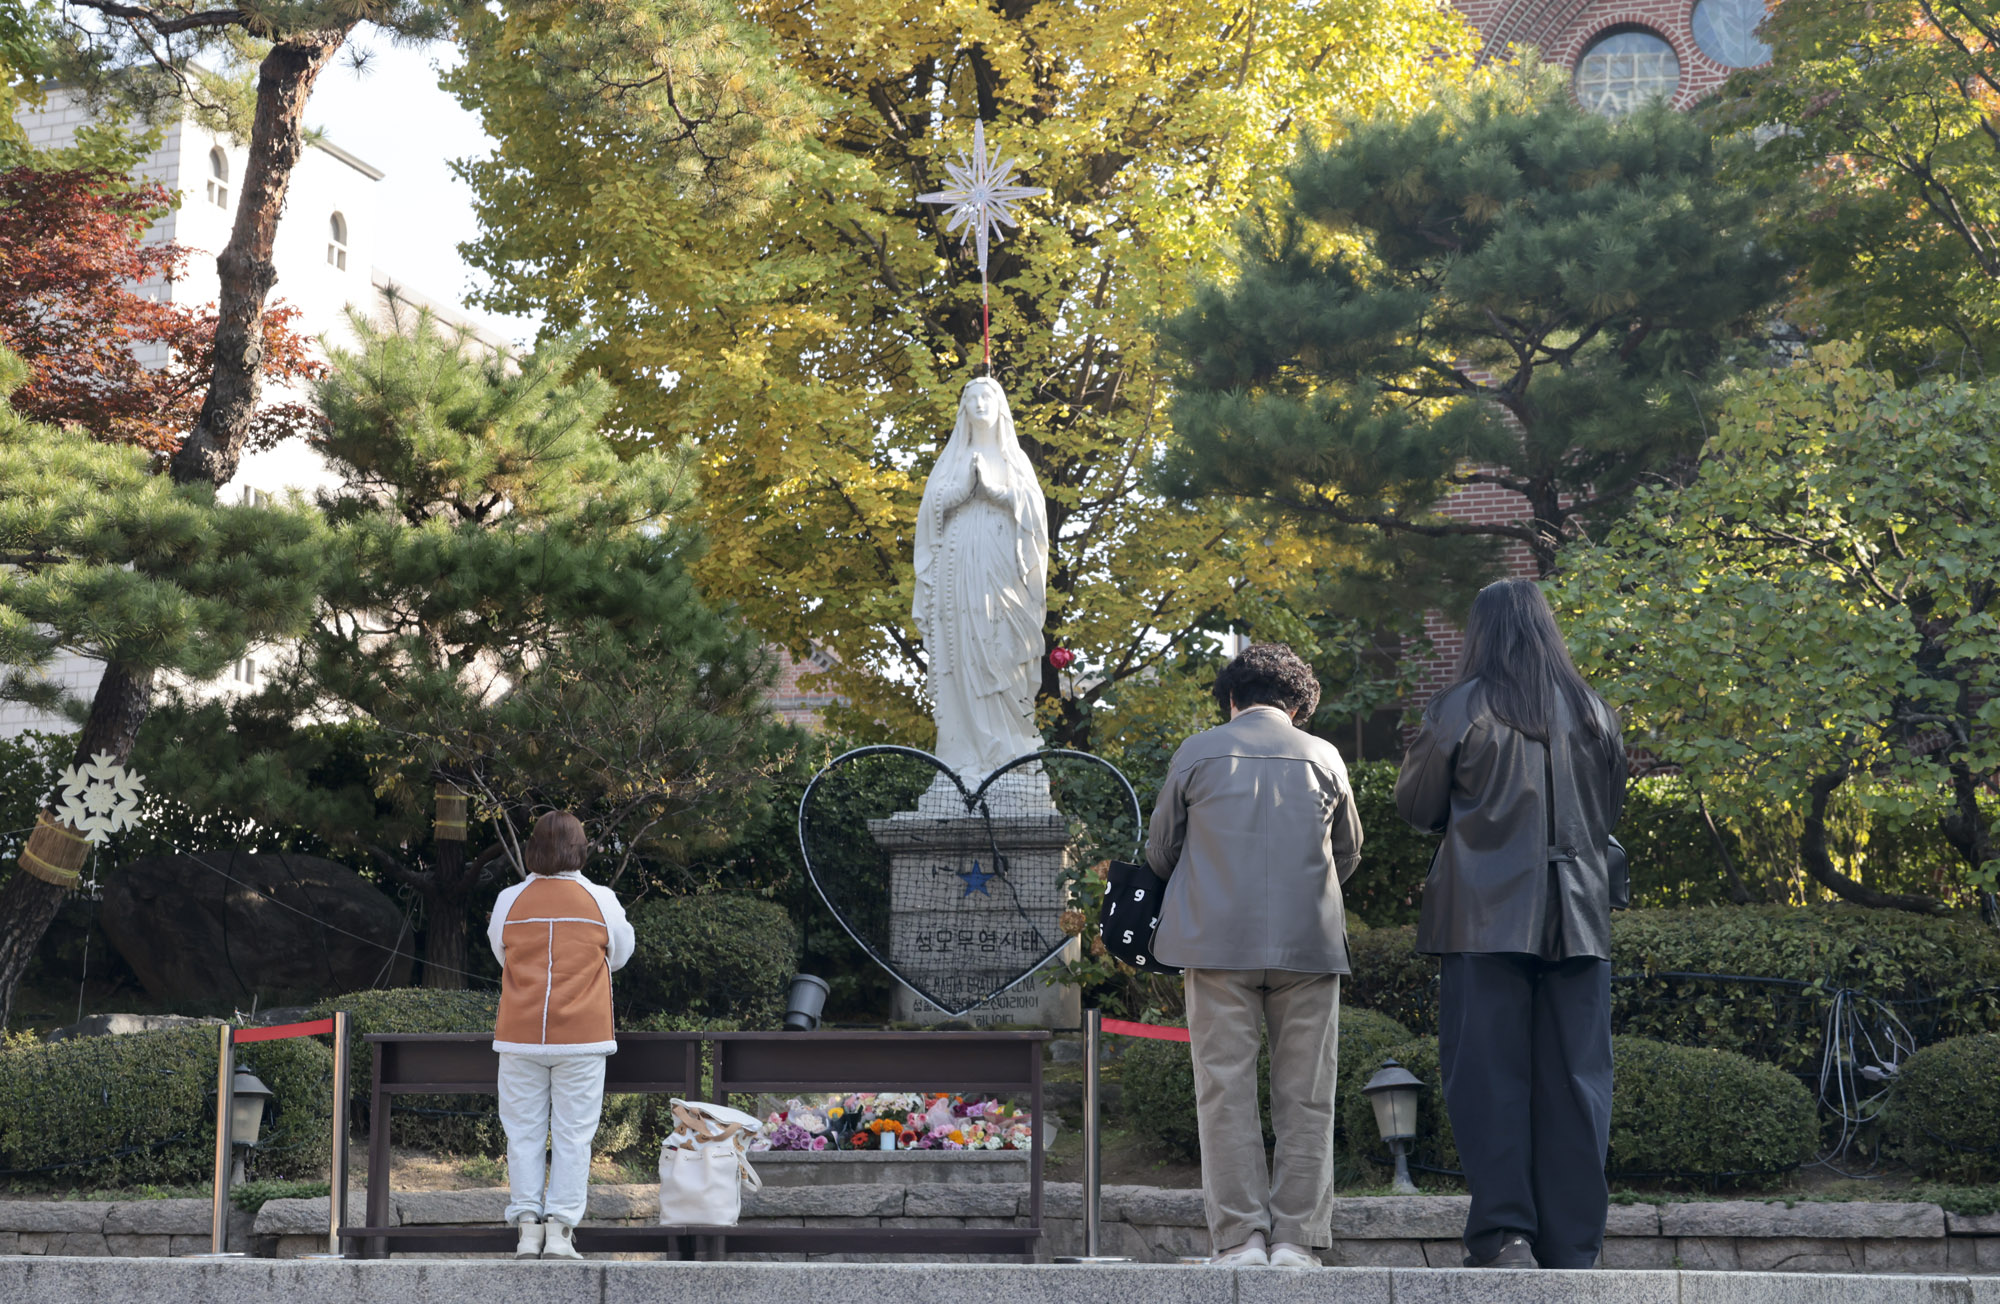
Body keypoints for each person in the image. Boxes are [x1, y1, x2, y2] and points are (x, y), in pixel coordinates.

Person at [1394, 578, 1626, 1270]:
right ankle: (1574, 1245)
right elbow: (1607, 816)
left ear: (1481, 632)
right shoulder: (1595, 712)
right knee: (1578, 1084)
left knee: (1489, 1079)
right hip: (1580, 919)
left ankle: (1504, 1235)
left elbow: (1416, 803)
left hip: (1483, 919)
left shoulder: (1461, 706)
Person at [1146, 643, 1363, 1269]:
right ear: (1298, 704)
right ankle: (1297, 1240)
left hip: (1215, 946)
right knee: (1308, 1095)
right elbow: (1346, 853)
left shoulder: (1197, 752)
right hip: (1309, 946)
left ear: (1232, 699)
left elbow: (1162, 852)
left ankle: (1241, 1240)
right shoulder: (1325, 756)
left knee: (1224, 1092)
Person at [487, 810, 635, 1260]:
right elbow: (622, 953)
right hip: (583, 1036)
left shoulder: (509, 900)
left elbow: (501, 953)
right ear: (580, 847)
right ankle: (561, 1232)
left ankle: (527, 1230)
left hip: (519, 1034)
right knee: (574, 1136)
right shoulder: (601, 900)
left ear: (533, 846)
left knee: (523, 1134)